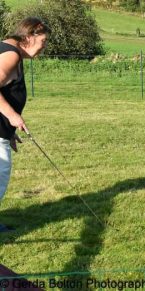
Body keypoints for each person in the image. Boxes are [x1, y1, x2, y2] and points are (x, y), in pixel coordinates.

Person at [0, 17, 51, 232]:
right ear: (29, 37)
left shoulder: (9, 49)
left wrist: (9, 131)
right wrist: (12, 116)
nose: (43, 48)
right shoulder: (10, 55)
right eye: (43, 42)